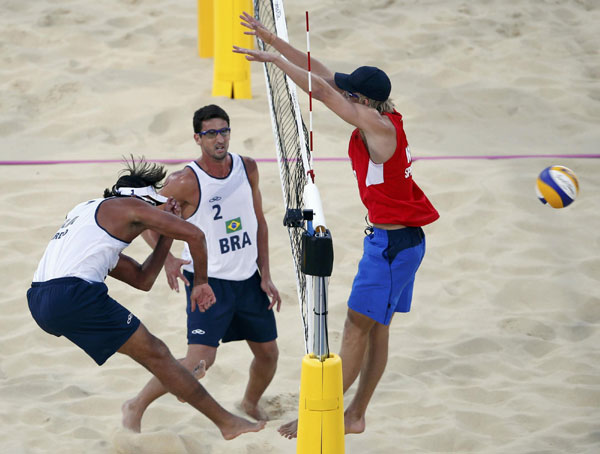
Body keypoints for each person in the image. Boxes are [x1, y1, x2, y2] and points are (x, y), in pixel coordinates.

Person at [234, 12, 440, 437]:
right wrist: (275, 42)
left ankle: (322, 413)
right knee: (375, 329)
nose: (349, 96)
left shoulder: (379, 128)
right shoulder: (379, 114)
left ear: (364, 102)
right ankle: (357, 415)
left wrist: (274, 65)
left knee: (354, 327)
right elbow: (323, 73)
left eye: (354, 95)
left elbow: (325, 93)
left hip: (392, 247)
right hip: (397, 243)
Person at [27, 157, 265, 440]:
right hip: (72, 295)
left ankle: (170, 388)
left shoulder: (93, 219)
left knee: (157, 356)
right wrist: (201, 282)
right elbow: (196, 235)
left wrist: (167, 234)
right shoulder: (131, 206)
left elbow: (143, 280)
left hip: (40, 300)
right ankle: (226, 422)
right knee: (159, 355)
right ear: (146, 200)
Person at [122, 105, 282, 431]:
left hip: (248, 279)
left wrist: (265, 274)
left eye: (224, 131)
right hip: (208, 282)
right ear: (198, 138)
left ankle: (250, 401)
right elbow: (142, 218)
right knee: (199, 363)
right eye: (211, 133)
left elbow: (259, 223)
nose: (219, 139)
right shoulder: (184, 182)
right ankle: (136, 405)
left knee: (268, 354)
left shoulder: (247, 167)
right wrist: (165, 259)